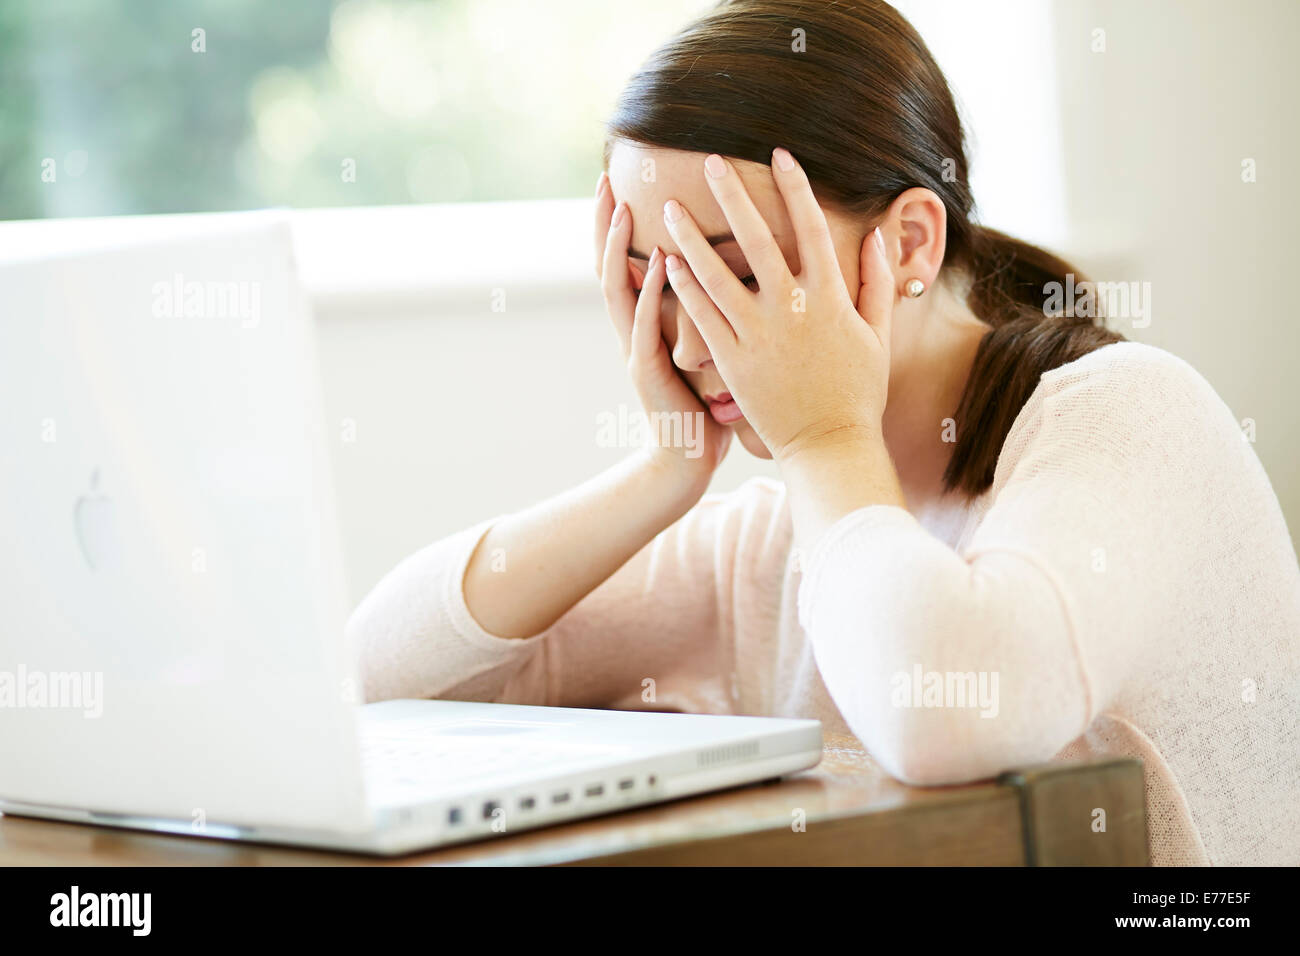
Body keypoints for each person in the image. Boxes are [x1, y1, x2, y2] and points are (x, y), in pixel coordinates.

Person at [347, 0, 1300, 865]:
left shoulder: (1129, 414)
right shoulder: (776, 545)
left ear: (910, 244)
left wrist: (825, 438)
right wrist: (661, 474)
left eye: (735, 271)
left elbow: (946, 711)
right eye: (651, 278)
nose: (682, 333)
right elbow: (383, 679)